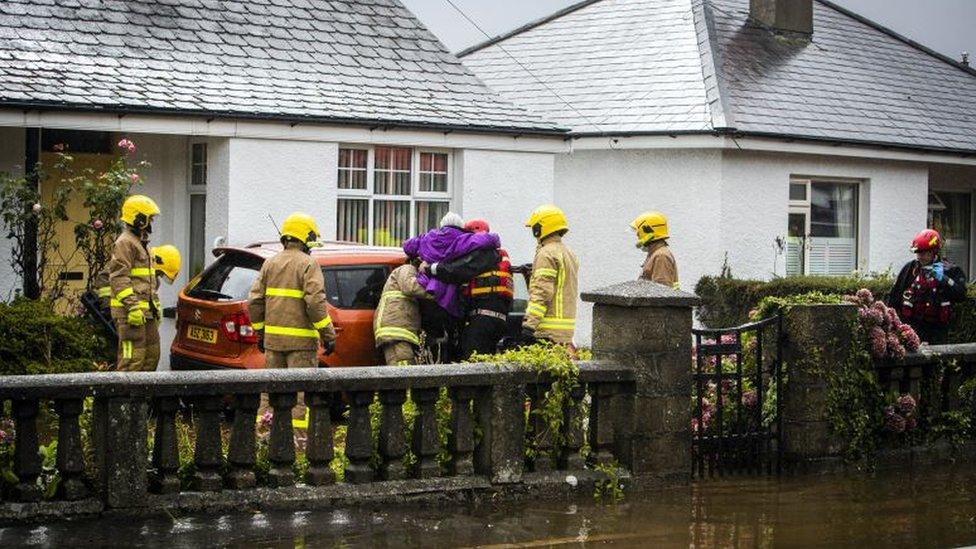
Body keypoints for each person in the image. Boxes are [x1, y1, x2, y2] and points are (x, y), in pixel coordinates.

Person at [248, 212, 336, 418]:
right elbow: (315, 303)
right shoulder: (308, 264)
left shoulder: (270, 263)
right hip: (301, 345)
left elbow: (254, 302)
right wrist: (328, 335)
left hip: (273, 343)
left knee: (270, 394)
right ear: (305, 239)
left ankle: (264, 439)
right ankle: (297, 446)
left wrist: (261, 334)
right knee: (299, 398)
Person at [403, 212, 500, 360]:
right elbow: (485, 240)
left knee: (431, 340)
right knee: (449, 342)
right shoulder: (462, 239)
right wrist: (495, 239)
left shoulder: (428, 238)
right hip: (447, 298)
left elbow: (408, 246)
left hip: (426, 292)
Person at [424, 219, 513, 358]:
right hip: (495, 318)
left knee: (472, 359)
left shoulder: (484, 253)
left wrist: (431, 269)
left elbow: (458, 269)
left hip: (484, 319)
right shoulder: (497, 254)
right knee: (481, 360)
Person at [108, 194, 162, 371]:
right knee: (132, 359)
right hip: (130, 312)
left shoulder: (140, 242)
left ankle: (143, 397)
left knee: (151, 356)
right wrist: (132, 307)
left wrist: (154, 305)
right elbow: (118, 278)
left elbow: (145, 279)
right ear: (139, 219)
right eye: (150, 218)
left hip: (145, 311)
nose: (151, 222)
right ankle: (124, 398)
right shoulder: (125, 243)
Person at [887, 229, 968, 345]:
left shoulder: (950, 270)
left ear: (934, 252)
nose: (920, 257)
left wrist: (945, 280)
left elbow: (961, 295)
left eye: (923, 253)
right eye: (918, 253)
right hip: (912, 330)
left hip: (938, 332)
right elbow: (894, 298)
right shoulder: (909, 269)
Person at [521, 205, 579, 349]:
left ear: (540, 228)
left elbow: (542, 291)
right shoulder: (568, 253)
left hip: (547, 333)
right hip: (565, 333)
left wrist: (529, 325)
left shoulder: (546, 254)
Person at [373, 254, 431, 365]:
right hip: (395, 331)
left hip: (397, 330)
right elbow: (410, 287)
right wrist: (438, 292)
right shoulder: (407, 269)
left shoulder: (408, 272)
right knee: (403, 368)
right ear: (418, 260)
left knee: (404, 366)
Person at [630, 211, 678, 288]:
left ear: (648, 232)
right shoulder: (655, 254)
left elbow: (661, 292)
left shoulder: (661, 256)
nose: (638, 236)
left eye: (639, 232)